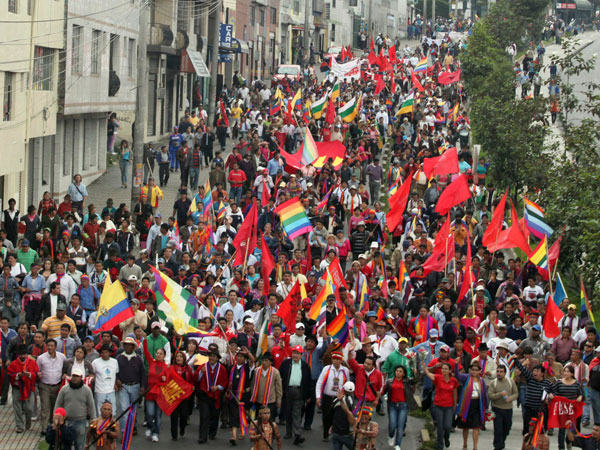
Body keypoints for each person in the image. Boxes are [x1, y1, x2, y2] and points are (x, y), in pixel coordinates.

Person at [54, 367, 97, 450]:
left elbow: (91, 405)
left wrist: (93, 419)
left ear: (81, 377)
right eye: (73, 376)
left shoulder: (87, 390)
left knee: (79, 445)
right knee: (66, 445)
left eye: (77, 376)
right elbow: (58, 403)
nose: (75, 378)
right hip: (66, 421)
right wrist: (56, 417)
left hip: (81, 421)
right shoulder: (64, 389)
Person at [279, 345, 311, 444]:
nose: (295, 355)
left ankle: (297, 434)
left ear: (301, 355)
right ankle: (289, 432)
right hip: (288, 391)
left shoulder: (305, 366)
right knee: (288, 412)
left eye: (297, 353)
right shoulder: (286, 363)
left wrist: (308, 396)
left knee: (297, 413)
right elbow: (280, 376)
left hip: (299, 392)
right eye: (294, 353)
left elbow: (309, 381)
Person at [423, 362, 458, 450]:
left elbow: (455, 393)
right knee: (440, 426)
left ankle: (446, 438)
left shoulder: (453, 381)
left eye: (446, 369)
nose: (444, 370)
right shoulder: (438, 378)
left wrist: (455, 405)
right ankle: (440, 445)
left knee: (448, 426)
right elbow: (428, 374)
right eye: (442, 368)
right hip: (438, 406)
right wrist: (424, 366)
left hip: (449, 407)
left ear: (450, 371)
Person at [196, 348, 229, 443]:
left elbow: (225, 382)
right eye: (210, 356)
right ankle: (202, 436)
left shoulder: (222, 369)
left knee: (214, 416)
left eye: (213, 356)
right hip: (204, 395)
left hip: (216, 396)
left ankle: (212, 433)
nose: (211, 358)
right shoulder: (203, 367)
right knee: (204, 416)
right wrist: (200, 373)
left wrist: (218, 387)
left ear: (217, 358)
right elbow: (196, 380)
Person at [116, 337, 145, 434]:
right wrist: (117, 380)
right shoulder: (119, 358)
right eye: (126, 344)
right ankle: (125, 431)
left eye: (130, 344)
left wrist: (142, 387)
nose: (128, 346)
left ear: (133, 346)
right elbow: (115, 372)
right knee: (124, 409)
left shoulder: (138, 359)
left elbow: (142, 374)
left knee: (133, 408)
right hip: (123, 386)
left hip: (135, 386)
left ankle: (133, 425)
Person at [37, 338, 68, 433]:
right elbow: (37, 370)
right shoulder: (41, 358)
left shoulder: (62, 357)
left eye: (52, 346)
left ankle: (54, 425)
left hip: (57, 385)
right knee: (45, 407)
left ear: (56, 347)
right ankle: (44, 428)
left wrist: (65, 374)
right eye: (48, 346)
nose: (50, 347)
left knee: (55, 407)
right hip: (45, 385)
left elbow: (65, 368)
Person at [7, 344, 39, 433]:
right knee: (17, 408)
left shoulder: (32, 363)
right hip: (17, 389)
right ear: (18, 354)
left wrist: (28, 374)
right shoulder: (13, 364)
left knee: (29, 408)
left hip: (29, 388)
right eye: (20, 354)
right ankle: (20, 426)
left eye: (24, 354)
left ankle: (28, 421)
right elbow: (9, 375)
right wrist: (18, 375)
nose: (22, 356)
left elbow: (36, 374)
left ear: (27, 354)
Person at [384, 365, 417, 450]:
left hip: (403, 405)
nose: (398, 373)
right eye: (397, 371)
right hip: (392, 405)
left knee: (400, 425)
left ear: (403, 374)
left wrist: (415, 373)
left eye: (400, 371)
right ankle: (391, 436)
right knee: (392, 424)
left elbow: (416, 380)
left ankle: (397, 444)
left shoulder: (407, 381)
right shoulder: (389, 381)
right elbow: (384, 391)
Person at [142, 338, 168, 442]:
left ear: (164, 356)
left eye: (160, 354)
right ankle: (149, 427)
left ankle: (156, 433)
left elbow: (169, 383)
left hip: (160, 394)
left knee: (157, 415)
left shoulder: (167, 367)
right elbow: (146, 352)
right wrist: (144, 340)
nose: (158, 355)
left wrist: (165, 380)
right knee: (150, 413)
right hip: (150, 392)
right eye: (157, 353)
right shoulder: (151, 362)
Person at [488, 365, 519, 450]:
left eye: (501, 372)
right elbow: (490, 396)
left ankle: (501, 442)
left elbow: (516, 393)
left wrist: (510, 398)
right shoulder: (493, 383)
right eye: (497, 371)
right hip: (497, 408)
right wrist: (500, 394)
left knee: (507, 428)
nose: (499, 373)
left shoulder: (510, 382)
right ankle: (497, 446)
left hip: (508, 409)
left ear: (505, 373)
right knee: (498, 430)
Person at [91, 346, 119, 415]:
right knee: (99, 411)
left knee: (113, 411)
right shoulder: (95, 362)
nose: (104, 354)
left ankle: (112, 425)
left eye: (106, 352)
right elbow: (92, 374)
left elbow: (116, 373)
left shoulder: (114, 361)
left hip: (111, 390)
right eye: (102, 352)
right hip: (99, 390)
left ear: (110, 353)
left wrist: (115, 383)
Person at [329, 381, 357, 450]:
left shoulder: (335, 400)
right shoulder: (352, 402)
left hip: (335, 431)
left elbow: (329, 415)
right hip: (347, 433)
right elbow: (354, 418)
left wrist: (331, 426)